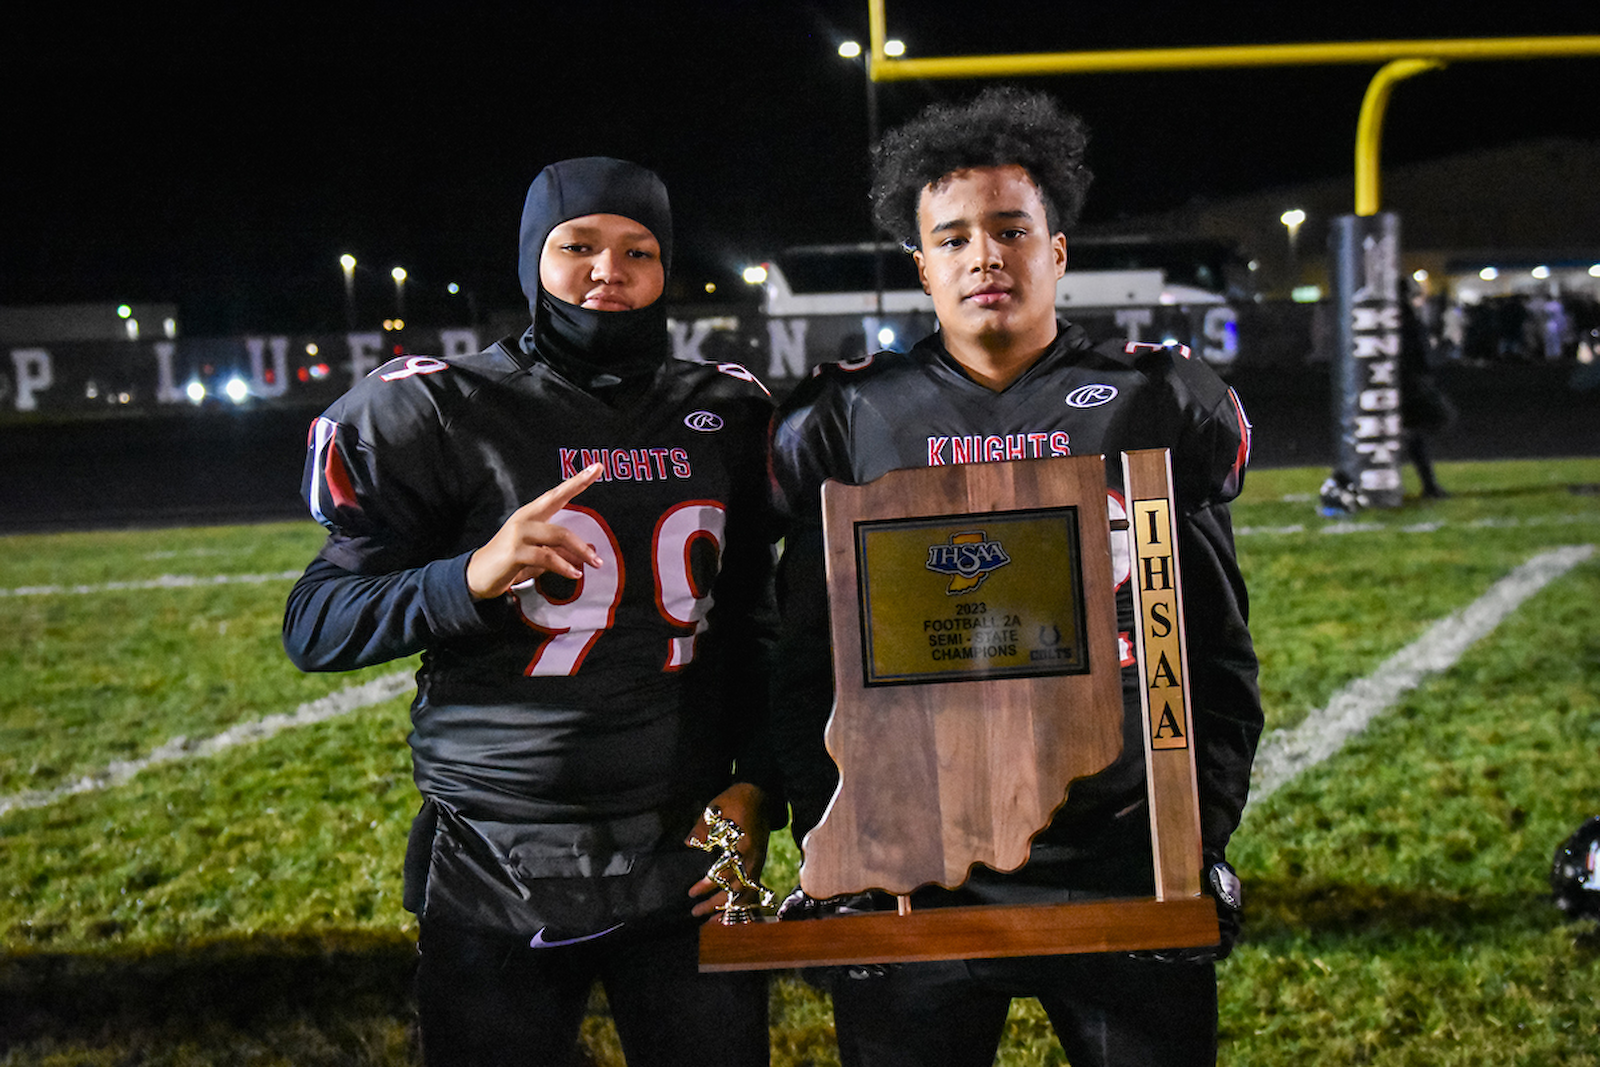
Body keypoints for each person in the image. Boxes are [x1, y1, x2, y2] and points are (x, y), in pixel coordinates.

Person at [768, 88, 1263, 1067]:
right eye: (952, 238)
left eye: (1010, 229)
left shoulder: (1152, 397)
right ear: (921, 265)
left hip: (1119, 850)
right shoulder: (850, 415)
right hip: (914, 859)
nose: (984, 256)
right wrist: (835, 837)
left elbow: (1215, 644)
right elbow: (803, 659)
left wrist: (1195, 830)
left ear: (1058, 250)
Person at [283, 156, 780, 1067]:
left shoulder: (727, 410)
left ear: (667, 268)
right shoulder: (445, 409)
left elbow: (758, 627)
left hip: (683, 844)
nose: (608, 270)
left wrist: (761, 787)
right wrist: (468, 577)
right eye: (576, 246)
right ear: (531, 261)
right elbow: (315, 623)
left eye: (637, 250)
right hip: (496, 851)